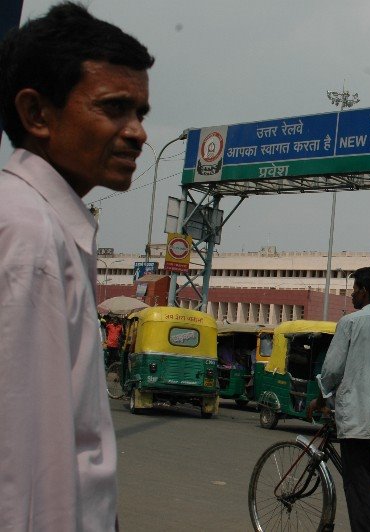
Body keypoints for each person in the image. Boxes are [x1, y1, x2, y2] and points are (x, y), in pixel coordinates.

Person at [0, 3, 153, 530]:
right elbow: (24, 464)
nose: (137, 133)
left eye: (141, 114)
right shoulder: (30, 235)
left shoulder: (51, 225)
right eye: (114, 108)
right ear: (37, 114)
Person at [307, 266, 370, 531]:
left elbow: (331, 370)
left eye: (354, 290)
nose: (352, 295)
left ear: (363, 291)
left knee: (359, 487)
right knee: (365, 450)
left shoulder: (351, 322)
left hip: (356, 410)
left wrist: (321, 398)